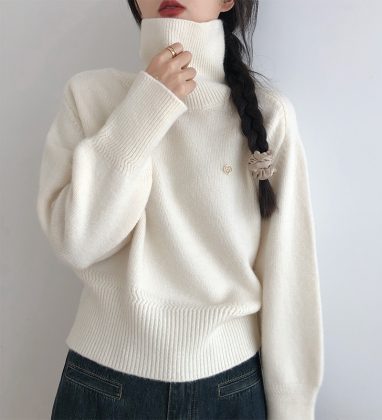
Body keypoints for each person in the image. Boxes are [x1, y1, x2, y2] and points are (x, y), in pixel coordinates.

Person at [36, 0, 324, 419]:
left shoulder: (268, 117)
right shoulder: (89, 97)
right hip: (102, 382)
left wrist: (293, 408)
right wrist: (145, 108)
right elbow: (77, 242)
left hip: (229, 388)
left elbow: (289, 276)